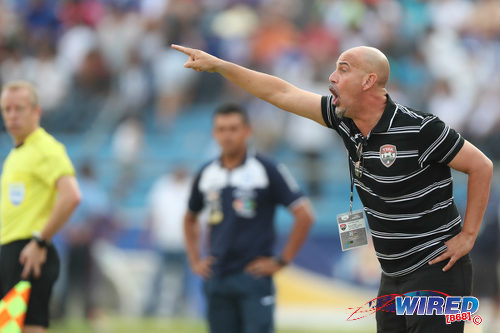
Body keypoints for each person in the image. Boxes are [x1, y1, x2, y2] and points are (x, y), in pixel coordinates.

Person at [172, 44, 493, 333]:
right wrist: (221, 66)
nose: (332, 76)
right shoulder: (345, 121)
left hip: (436, 270)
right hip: (393, 273)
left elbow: (481, 166)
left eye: (343, 68)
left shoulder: (421, 128)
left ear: (368, 81)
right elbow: (281, 93)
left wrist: (467, 236)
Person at [184, 104, 315, 333]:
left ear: (247, 131)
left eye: (233, 128)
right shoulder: (206, 173)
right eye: (221, 129)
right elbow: (189, 218)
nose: (227, 135)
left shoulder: (266, 169)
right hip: (217, 277)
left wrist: (281, 261)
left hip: (253, 276)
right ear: (214, 133)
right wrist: (196, 260)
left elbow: (304, 215)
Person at [0, 81, 81, 333]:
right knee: (18, 328)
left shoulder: (45, 148)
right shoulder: (17, 152)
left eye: (19, 109)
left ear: (37, 112)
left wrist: (40, 242)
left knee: (17, 328)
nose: (12, 115)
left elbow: (71, 196)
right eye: (7, 109)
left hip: (27, 254)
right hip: (13, 253)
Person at [143, 166, 191, 317]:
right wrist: (149, 234)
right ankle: (150, 308)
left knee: (185, 280)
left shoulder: (190, 187)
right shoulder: (163, 186)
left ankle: (181, 310)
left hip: (184, 242)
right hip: (164, 240)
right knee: (158, 278)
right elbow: (153, 212)